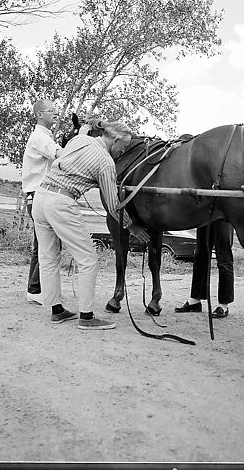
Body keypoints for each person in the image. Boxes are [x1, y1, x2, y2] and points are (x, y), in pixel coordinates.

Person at [32, 120, 150, 330]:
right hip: (61, 203)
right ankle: (86, 317)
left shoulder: (79, 140)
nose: (122, 151)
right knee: (88, 259)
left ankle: (56, 311)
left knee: (48, 257)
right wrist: (132, 227)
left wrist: (96, 123)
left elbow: (86, 129)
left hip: (41, 197)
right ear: (114, 140)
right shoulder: (105, 163)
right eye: (123, 146)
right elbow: (114, 206)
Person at [21, 99, 64, 305]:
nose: (55, 113)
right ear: (39, 114)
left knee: (43, 243)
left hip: (37, 195)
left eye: (56, 110)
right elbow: (60, 156)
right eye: (51, 111)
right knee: (49, 243)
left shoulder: (44, 137)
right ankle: (37, 288)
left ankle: (36, 288)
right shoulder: (40, 137)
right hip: (38, 195)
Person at [174, 220, 234, 319]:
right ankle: (195, 301)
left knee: (224, 258)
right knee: (200, 256)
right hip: (204, 214)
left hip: (223, 214)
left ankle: (224, 305)